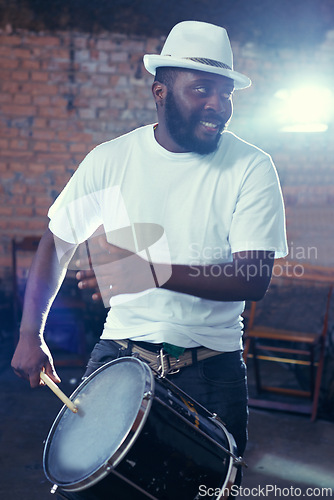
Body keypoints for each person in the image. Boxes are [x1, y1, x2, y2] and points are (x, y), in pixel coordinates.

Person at [11, 20, 288, 497]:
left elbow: (252, 278)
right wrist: (28, 334)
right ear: (160, 91)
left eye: (226, 94)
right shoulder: (110, 159)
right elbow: (57, 242)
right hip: (118, 358)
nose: (217, 106)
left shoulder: (251, 166)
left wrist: (154, 272)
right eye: (202, 89)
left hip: (210, 374)